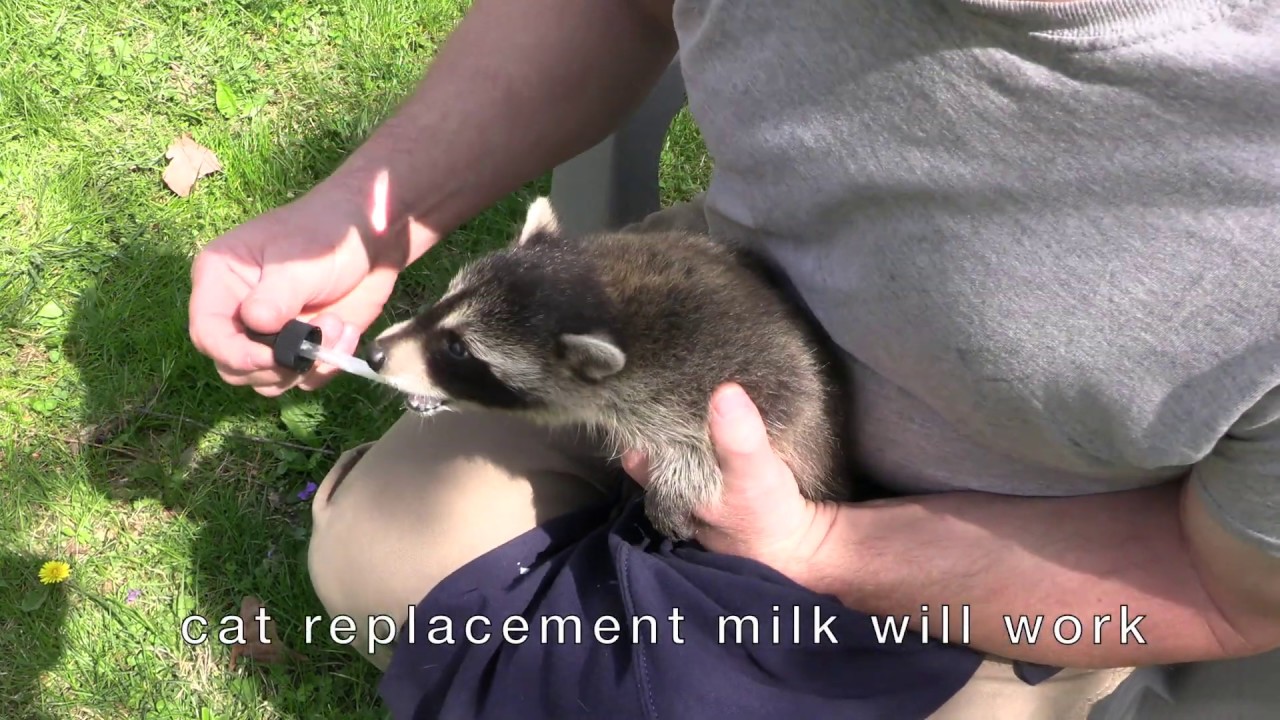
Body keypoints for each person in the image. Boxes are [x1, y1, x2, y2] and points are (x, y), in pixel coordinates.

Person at [187, 0, 1280, 717]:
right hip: (691, 350)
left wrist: (816, 546)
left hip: (1001, 558)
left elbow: (1230, 592)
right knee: (379, 571)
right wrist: (372, 218)